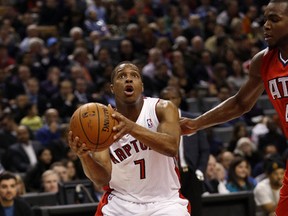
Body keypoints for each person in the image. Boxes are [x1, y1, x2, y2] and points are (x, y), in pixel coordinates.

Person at [180, 1, 288, 215]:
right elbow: (240, 103)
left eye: (274, 20)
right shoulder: (263, 61)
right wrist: (196, 123)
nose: (266, 25)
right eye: (265, 19)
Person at [68, 62, 190, 215]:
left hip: (165, 202)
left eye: (134, 75)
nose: (128, 79)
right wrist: (84, 156)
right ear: (112, 88)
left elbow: (171, 147)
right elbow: (102, 180)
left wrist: (131, 127)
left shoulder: (161, 108)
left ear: (142, 85)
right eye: (122, 76)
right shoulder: (103, 125)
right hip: (121, 204)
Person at [160, 86, 209, 216]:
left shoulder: (194, 119)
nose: (169, 101)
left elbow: (204, 150)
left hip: (190, 173)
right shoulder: (155, 122)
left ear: (179, 99)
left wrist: (200, 171)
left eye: (173, 98)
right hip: (167, 175)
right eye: (165, 98)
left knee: (195, 211)